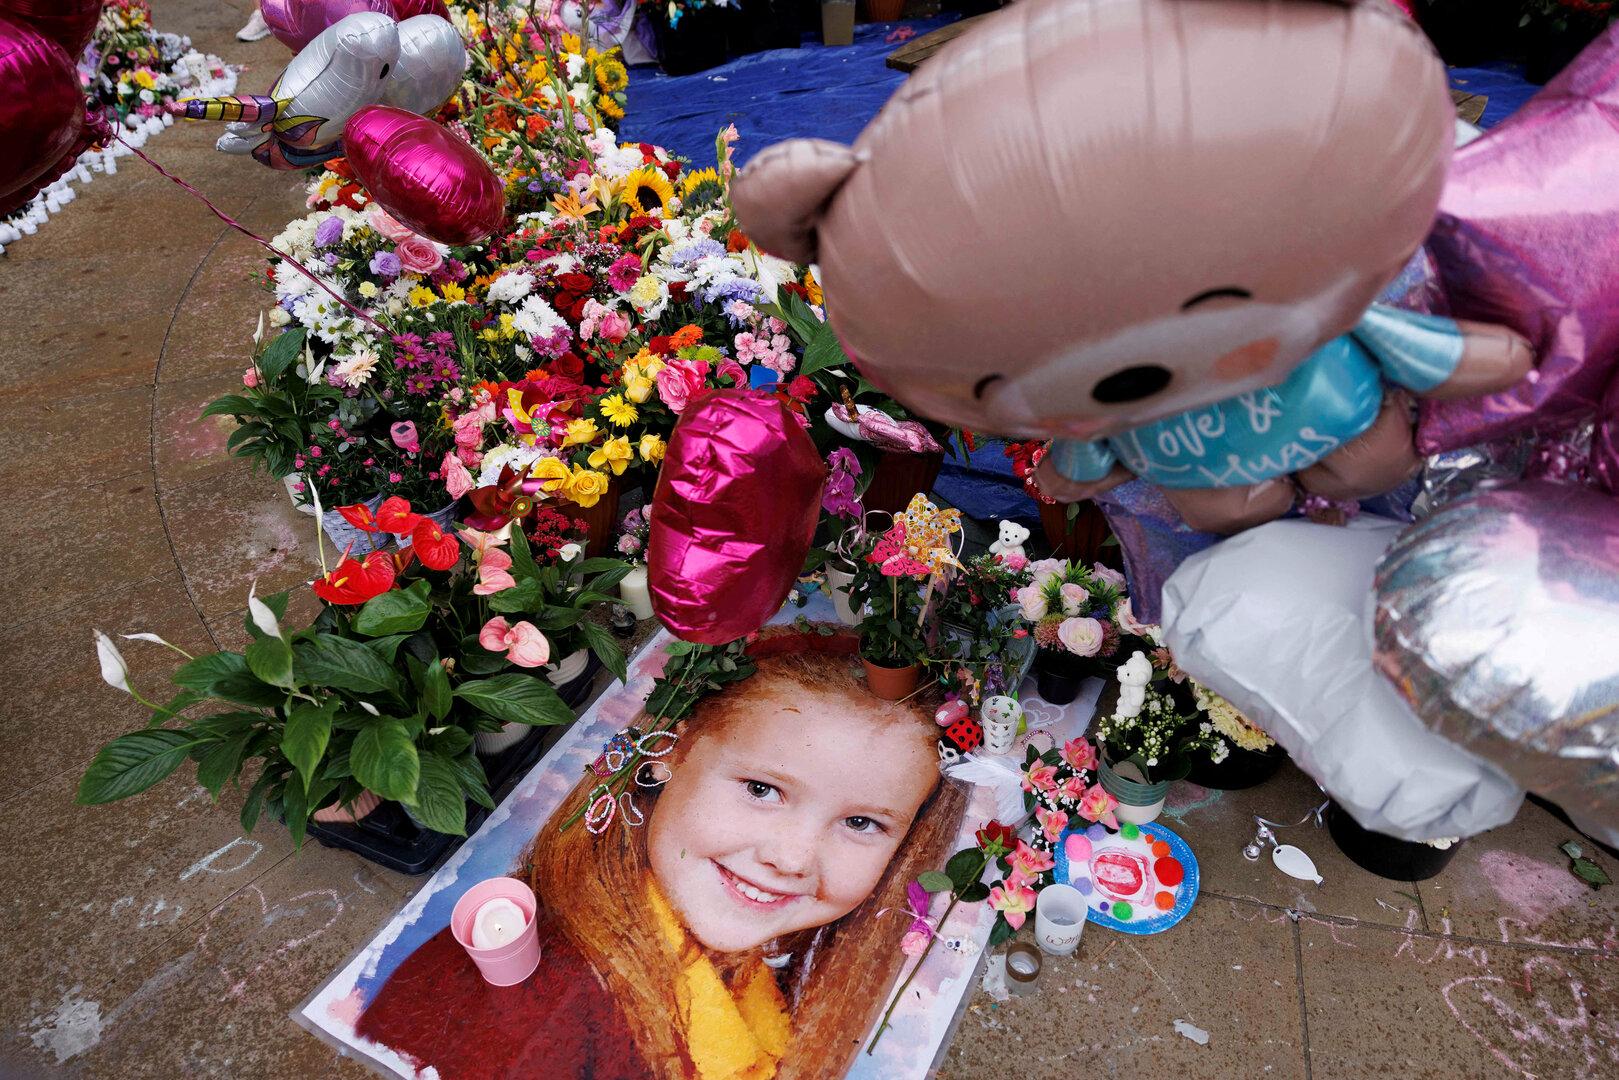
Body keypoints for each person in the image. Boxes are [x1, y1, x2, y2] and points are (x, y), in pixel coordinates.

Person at [356, 632, 968, 1079]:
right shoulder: (542, 1011)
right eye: (762, 789)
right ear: (669, 750)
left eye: (861, 822)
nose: (791, 858)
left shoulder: (745, 981)